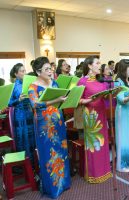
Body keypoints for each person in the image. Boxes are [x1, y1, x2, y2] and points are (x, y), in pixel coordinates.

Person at [28, 57, 71, 198]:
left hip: (58, 121)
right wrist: (55, 100)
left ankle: (63, 183)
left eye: (50, 68)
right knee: (48, 154)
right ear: (38, 71)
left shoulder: (55, 82)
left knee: (61, 151)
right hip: (44, 127)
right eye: (46, 69)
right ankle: (52, 188)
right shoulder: (33, 87)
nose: (50, 71)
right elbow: (35, 104)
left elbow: (62, 97)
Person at [77, 56, 112, 183]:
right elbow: (76, 100)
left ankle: (105, 171)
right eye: (97, 63)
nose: (100, 65)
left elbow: (104, 98)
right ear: (90, 66)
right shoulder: (82, 81)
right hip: (91, 116)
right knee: (94, 145)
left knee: (103, 143)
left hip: (102, 114)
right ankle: (94, 174)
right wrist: (87, 100)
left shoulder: (101, 81)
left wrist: (110, 93)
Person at [8, 63, 35, 165]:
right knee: (24, 138)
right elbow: (9, 102)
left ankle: (34, 162)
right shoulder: (13, 86)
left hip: (29, 112)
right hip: (20, 115)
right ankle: (25, 163)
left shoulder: (29, 84)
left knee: (32, 136)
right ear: (16, 74)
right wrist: (18, 99)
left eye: (25, 71)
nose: (25, 73)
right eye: (22, 71)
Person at [114, 60, 129, 172]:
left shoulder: (128, 81)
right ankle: (123, 162)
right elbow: (121, 99)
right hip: (122, 111)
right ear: (124, 69)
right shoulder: (118, 82)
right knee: (124, 136)